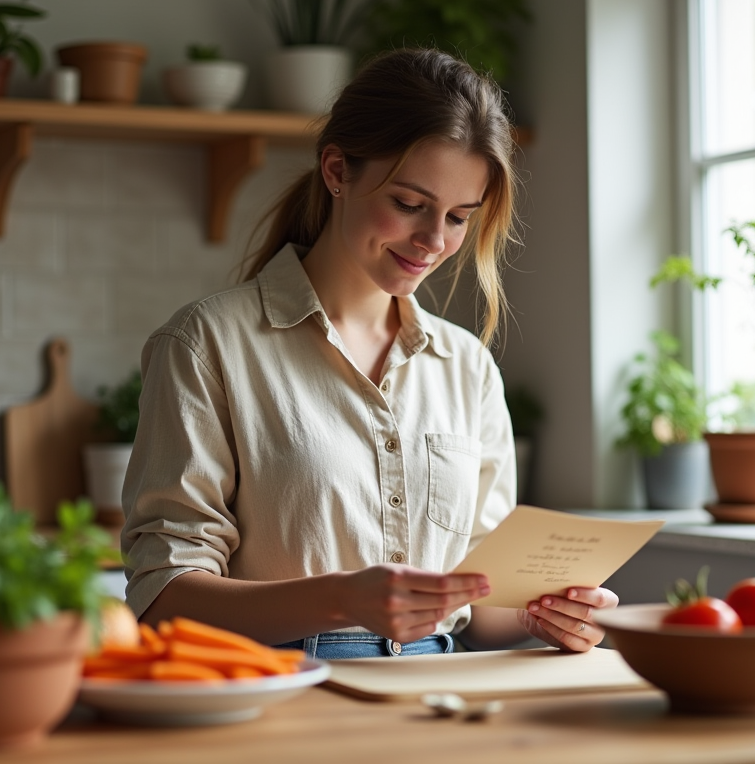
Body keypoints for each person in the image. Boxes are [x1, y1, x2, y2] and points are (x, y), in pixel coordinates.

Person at [120, 48, 617, 659]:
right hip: (285, 701)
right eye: (410, 204)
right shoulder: (205, 345)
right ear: (336, 170)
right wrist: (342, 600)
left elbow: (481, 610)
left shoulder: (467, 368)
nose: (434, 241)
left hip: (440, 701)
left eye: (459, 217)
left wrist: (551, 613)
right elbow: (162, 598)